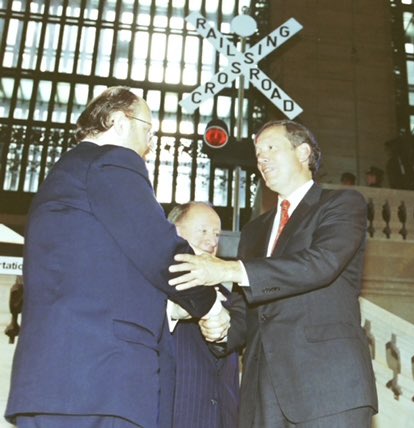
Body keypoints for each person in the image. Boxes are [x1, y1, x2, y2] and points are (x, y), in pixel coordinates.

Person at [5, 86, 216, 428]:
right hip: (100, 381)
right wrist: (209, 304)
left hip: (56, 385)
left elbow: (106, 273)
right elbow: (158, 247)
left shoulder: (66, 176)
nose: (150, 144)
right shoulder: (111, 161)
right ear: (118, 122)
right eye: (148, 130)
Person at [168, 120, 378, 427]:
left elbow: (321, 263)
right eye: (257, 152)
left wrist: (227, 269)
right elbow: (245, 306)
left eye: (270, 148)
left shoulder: (341, 204)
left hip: (327, 388)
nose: (261, 158)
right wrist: (220, 329)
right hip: (261, 396)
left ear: (303, 153)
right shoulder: (254, 231)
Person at [167, 202, 240, 428]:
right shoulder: (153, 292)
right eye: (204, 231)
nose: (212, 241)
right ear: (174, 232)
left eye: (217, 234)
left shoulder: (232, 300)